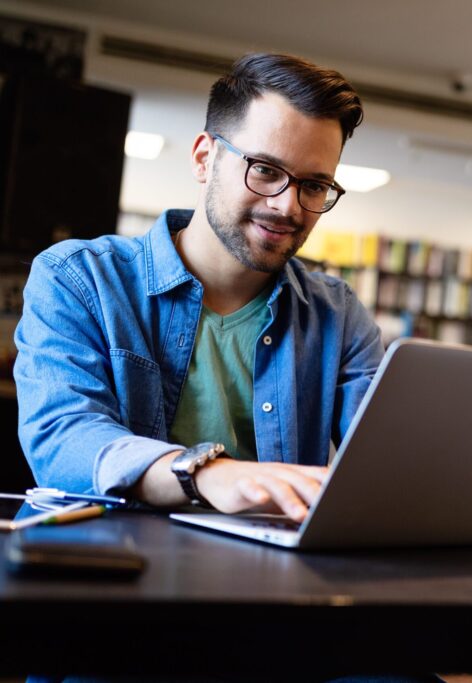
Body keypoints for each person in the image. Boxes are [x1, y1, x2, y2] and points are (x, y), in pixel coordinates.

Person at [15, 53, 383, 524]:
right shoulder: (79, 277)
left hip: (272, 578)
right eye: (265, 170)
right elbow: (63, 437)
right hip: (104, 567)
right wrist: (206, 473)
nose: (288, 206)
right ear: (204, 159)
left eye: (313, 185)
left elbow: (384, 461)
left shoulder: (339, 314)